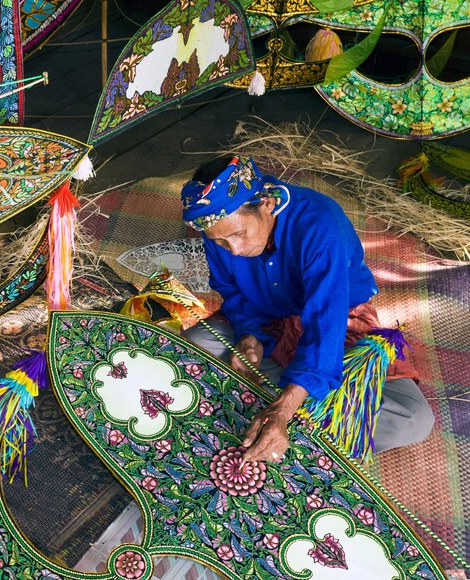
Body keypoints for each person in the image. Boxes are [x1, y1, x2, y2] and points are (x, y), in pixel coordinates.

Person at [180, 156, 434, 463]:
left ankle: (279, 407)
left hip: (337, 317)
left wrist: (284, 409)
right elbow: (232, 290)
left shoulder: (320, 226)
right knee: (189, 348)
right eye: (221, 242)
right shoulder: (217, 227)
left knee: (414, 418)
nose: (234, 250)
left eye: (238, 235)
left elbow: (325, 324)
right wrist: (249, 334)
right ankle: (297, 406)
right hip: (266, 314)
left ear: (267, 205)